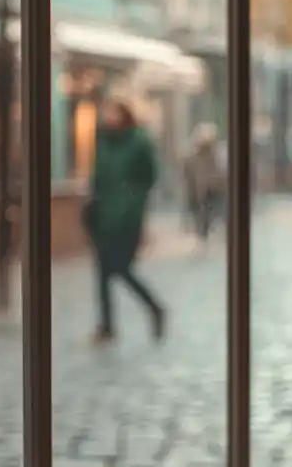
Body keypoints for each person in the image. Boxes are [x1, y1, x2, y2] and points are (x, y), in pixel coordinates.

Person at [84, 99, 166, 343]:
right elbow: (98, 177)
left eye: (113, 113)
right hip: (102, 217)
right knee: (101, 273)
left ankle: (155, 307)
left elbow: (149, 178)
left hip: (127, 218)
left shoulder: (139, 142)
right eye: (106, 113)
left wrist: (132, 204)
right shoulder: (104, 142)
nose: (109, 117)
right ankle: (107, 326)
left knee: (121, 269)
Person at [182, 123, 224, 244]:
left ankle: (207, 234)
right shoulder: (191, 159)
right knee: (200, 217)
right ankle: (202, 235)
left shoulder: (216, 157)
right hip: (198, 192)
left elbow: (219, 174)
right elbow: (188, 177)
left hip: (213, 191)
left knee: (213, 214)